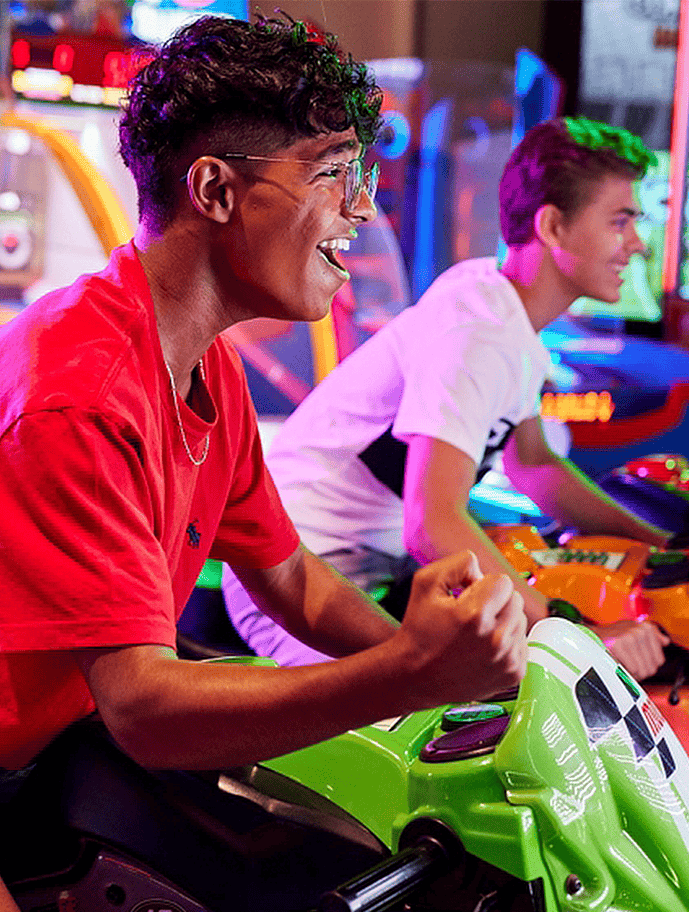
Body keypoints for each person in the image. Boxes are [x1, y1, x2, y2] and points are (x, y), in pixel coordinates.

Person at [0, 14, 527, 912]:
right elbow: (147, 709)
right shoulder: (72, 384)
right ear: (214, 189)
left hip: (40, 733)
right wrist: (416, 669)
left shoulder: (208, 371)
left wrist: (447, 699)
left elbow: (293, 580)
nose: (364, 209)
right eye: (336, 172)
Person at [224, 115, 670, 681]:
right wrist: (575, 636)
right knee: (449, 711)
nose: (637, 243)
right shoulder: (477, 333)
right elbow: (431, 523)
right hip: (294, 571)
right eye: (621, 220)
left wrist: (658, 542)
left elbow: (535, 466)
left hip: (367, 565)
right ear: (553, 227)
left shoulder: (507, 312)